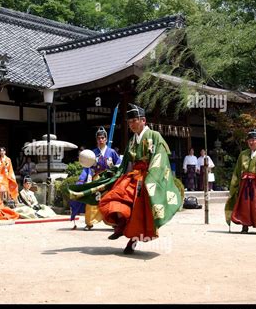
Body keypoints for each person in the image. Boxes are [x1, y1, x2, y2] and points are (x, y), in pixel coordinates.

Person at [69, 104, 181, 254]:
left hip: (148, 176)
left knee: (139, 209)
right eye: (129, 122)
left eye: (134, 120)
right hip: (133, 175)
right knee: (115, 194)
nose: (131, 124)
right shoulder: (131, 141)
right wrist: (113, 175)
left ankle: (133, 240)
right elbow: (124, 164)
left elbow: (159, 159)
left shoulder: (154, 136)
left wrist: (151, 179)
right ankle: (120, 224)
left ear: (143, 121)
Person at [76, 126, 121, 231]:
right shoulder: (92, 153)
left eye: (102, 138)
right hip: (96, 179)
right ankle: (90, 223)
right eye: (99, 138)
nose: (101, 140)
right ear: (96, 140)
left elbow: (119, 164)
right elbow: (87, 167)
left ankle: (113, 221)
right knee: (92, 201)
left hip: (109, 179)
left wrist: (115, 173)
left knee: (111, 200)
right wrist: (83, 179)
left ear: (106, 139)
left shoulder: (112, 152)